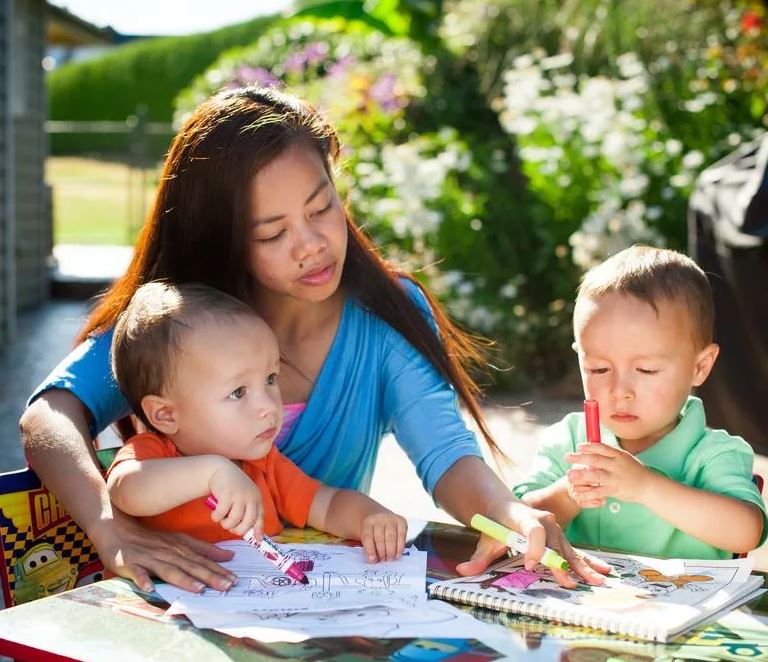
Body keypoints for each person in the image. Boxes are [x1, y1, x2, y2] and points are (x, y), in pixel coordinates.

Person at [20, 86, 609, 593]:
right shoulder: (180, 324)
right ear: (223, 240)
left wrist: (509, 514)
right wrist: (108, 524)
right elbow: (48, 417)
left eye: (322, 208)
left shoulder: (388, 314)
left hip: (314, 602)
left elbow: (447, 456)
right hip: (186, 594)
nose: (311, 245)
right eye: (272, 233)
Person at [105, 281, 407, 591]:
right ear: (166, 415)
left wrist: (370, 517)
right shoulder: (152, 454)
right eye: (238, 392)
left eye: (270, 379)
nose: (267, 405)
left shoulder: (262, 463)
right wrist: (211, 472)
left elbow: (326, 504)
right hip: (164, 615)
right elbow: (124, 490)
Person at [514, 245, 767, 559]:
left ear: (699, 367)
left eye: (646, 370)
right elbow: (517, 519)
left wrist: (645, 486)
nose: (620, 390)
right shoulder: (567, 440)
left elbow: (746, 533)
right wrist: (570, 492)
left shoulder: (712, 454)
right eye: (599, 369)